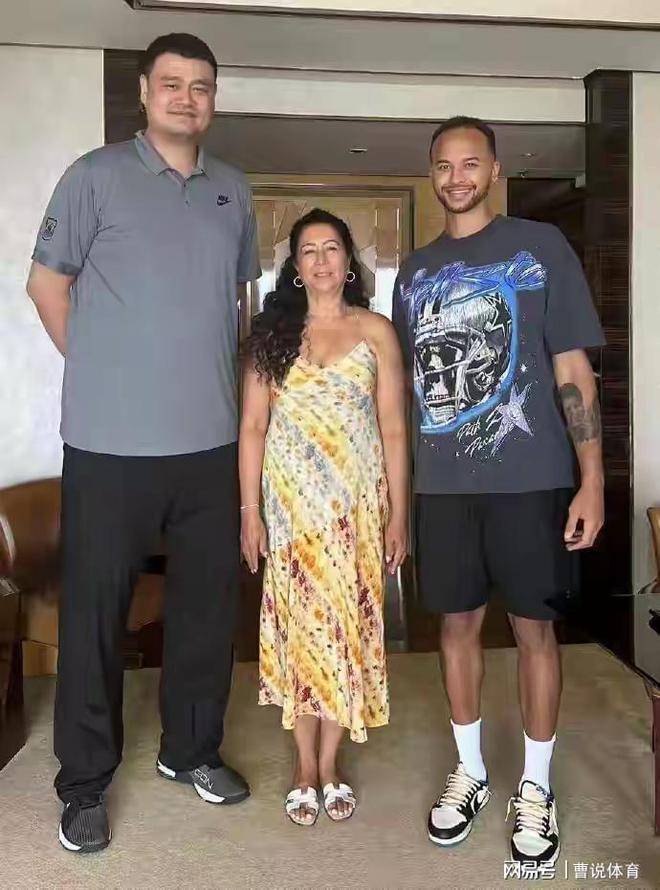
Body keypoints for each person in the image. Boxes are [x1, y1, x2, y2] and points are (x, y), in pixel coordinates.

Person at [26, 33, 260, 853]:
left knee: (206, 612)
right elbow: (45, 284)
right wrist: (100, 368)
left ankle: (189, 751)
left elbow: (236, 308)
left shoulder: (233, 190)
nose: (187, 98)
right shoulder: (94, 177)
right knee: (95, 616)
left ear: (213, 98)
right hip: (109, 444)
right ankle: (84, 784)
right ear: (144, 92)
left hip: (209, 445)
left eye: (201, 86)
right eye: (172, 84)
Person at [392, 117, 605, 866]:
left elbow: (573, 370)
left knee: (534, 631)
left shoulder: (540, 248)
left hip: (532, 480)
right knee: (454, 628)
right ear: (432, 174)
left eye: (470, 163)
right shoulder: (414, 273)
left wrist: (592, 478)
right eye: (444, 165)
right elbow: (409, 391)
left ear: (494, 170)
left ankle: (536, 785)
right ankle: (472, 771)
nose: (457, 177)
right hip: (443, 487)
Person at [239, 208, 408, 826]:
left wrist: (400, 514)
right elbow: (253, 427)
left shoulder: (376, 331)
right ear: (295, 266)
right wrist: (249, 512)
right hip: (291, 514)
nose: (320, 260)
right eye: (308, 250)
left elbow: (394, 428)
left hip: (356, 513)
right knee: (300, 633)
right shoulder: (272, 336)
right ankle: (303, 766)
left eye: (331, 247)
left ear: (348, 259)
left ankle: (330, 764)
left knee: (344, 630)